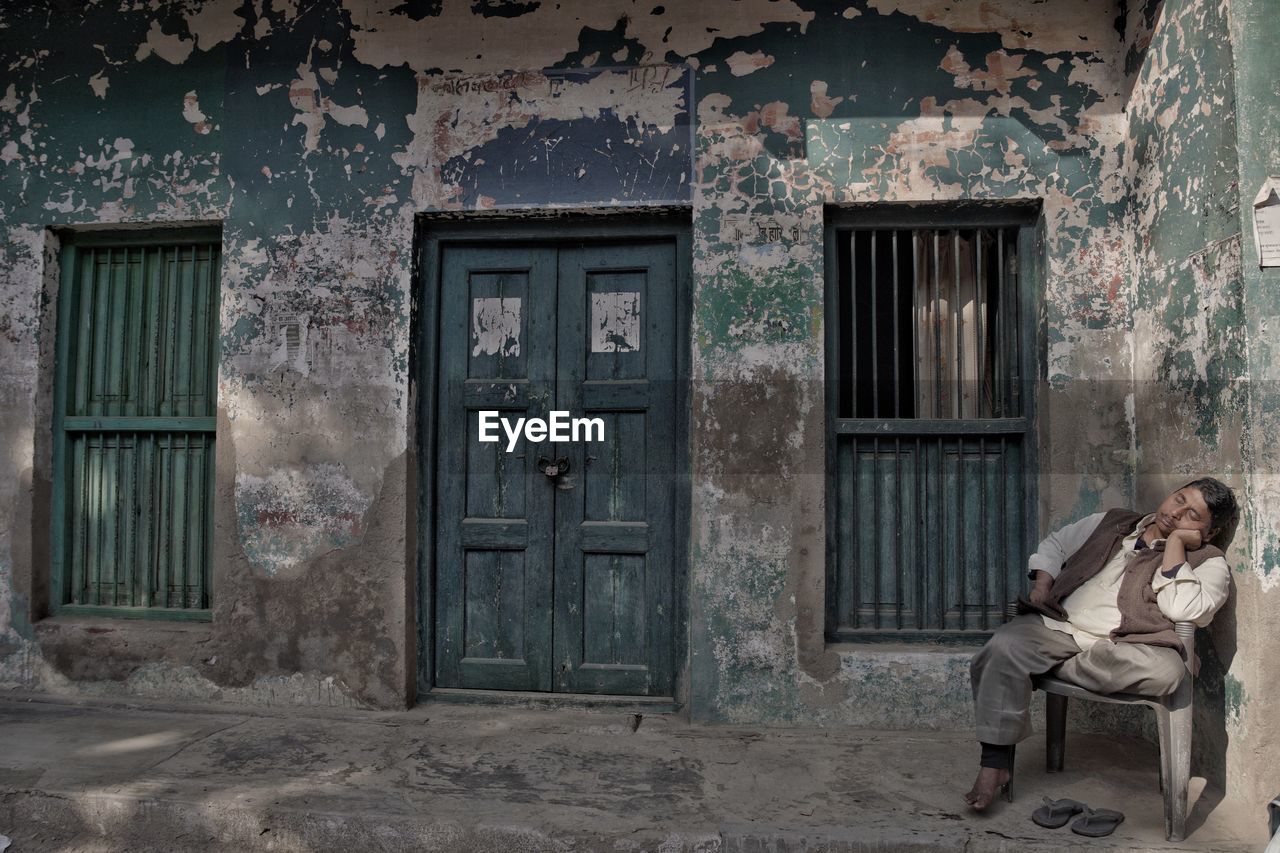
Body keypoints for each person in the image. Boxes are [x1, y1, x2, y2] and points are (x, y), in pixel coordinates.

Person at [964, 478, 1238, 811]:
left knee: (1167, 671)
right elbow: (1056, 544)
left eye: (1192, 514)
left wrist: (1176, 546)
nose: (1176, 513)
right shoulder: (1112, 522)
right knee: (1002, 646)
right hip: (1060, 626)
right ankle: (994, 764)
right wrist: (1043, 583)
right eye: (1178, 499)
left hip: (1125, 645)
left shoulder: (1211, 563)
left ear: (1207, 533)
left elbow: (1183, 609)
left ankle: (1053, 666)